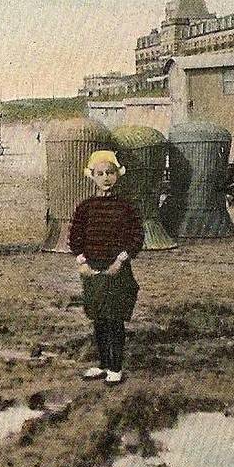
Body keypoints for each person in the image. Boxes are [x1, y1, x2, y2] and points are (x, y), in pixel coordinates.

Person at [69, 150, 144, 386]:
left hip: (117, 270)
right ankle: (102, 364)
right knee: (99, 318)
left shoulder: (126, 207)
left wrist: (120, 261)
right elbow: (76, 236)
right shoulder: (85, 207)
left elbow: (136, 236)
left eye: (110, 172)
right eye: (100, 174)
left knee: (114, 319)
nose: (105, 178)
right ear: (92, 177)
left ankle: (115, 366)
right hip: (93, 270)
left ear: (117, 174)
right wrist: (81, 261)